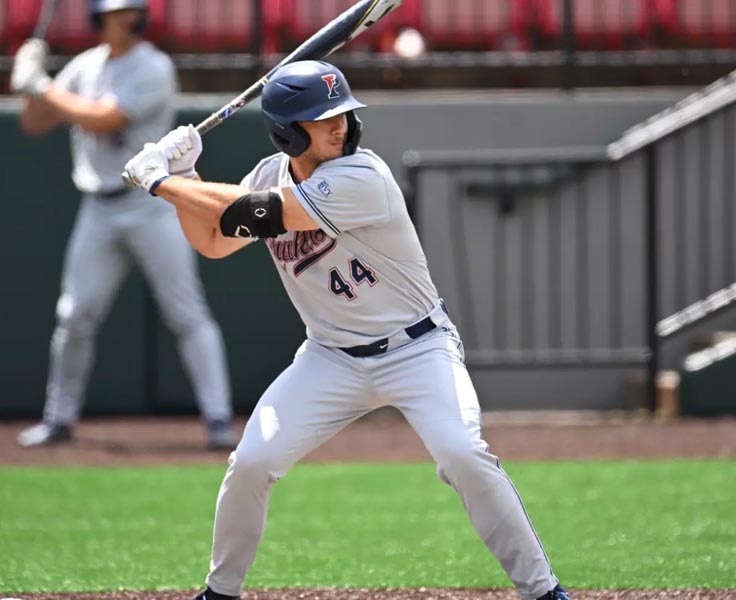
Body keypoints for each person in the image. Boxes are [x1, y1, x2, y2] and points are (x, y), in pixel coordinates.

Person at [123, 60, 571, 600]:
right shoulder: (269, 173)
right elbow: (215, 240)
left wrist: (160, 181)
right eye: (321, 117)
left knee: (462, 453)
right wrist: (187, 180)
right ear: (289, 131)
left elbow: (262, 214)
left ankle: (543, 591)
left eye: (342, 113)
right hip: (330, 357)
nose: (339, 125)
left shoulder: (364, 177)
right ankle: (220, 593)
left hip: (418, 347)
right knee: (252, 462)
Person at [9, 0, 237, 451]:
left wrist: (42, 84)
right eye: (114, 12)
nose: (122, 19)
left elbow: (105, 118)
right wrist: (30, 86)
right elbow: (34, 123)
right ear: (99, 17)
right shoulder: (85, 66)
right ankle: (59, 419)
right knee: (75, 314)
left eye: (129, 11)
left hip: (152, 204)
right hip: (99, 206)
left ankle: (218, 418)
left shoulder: (153, 66)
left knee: (186, 313)